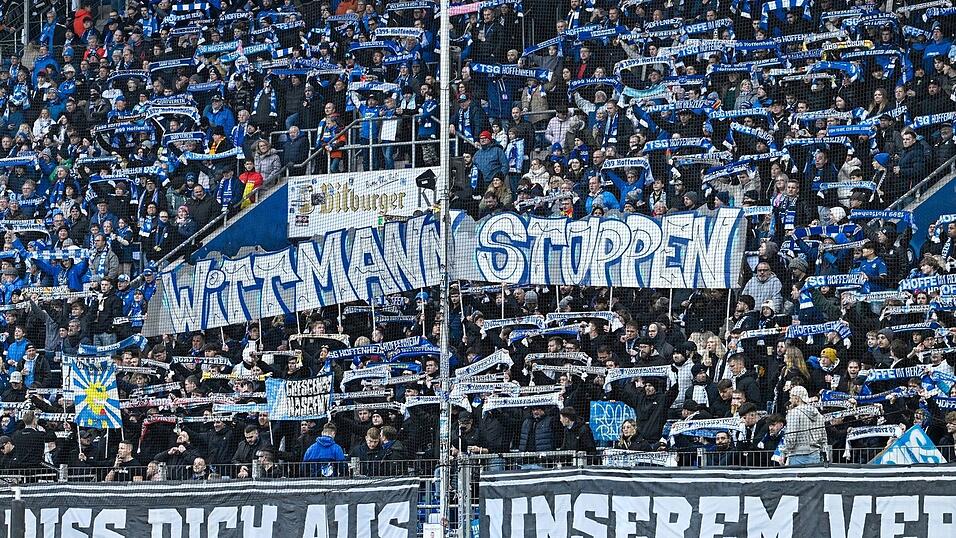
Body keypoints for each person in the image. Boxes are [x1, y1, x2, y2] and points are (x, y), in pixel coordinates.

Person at [781, 386, 827, 466]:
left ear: (797, 398)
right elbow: (824, 437)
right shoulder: (817, 413)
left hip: (797, 455)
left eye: (791, 397)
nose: (790, 400)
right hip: (815, 455)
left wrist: (783, 452)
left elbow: (791, 438)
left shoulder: (794, 413)